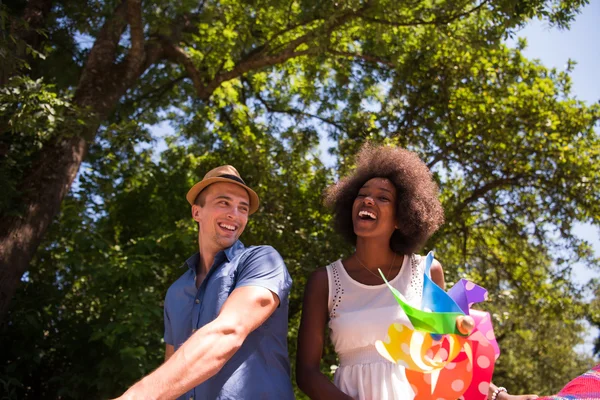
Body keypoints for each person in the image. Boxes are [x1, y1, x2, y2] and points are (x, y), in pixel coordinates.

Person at [296, 143, 537, 400]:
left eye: (383, 198)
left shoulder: (426, 271)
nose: (367, 200)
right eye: (362, 194)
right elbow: (307, 372)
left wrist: (500, 396)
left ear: (402, 218)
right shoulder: (325, 281)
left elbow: (449, 356)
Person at [115, 165, 294, 400]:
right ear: (196, 212)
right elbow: (172, 370)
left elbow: (228, 332)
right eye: (224, 203)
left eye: (243, 208)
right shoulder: (176, 291)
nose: (235, 214)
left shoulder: (262, 260)